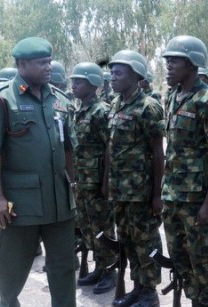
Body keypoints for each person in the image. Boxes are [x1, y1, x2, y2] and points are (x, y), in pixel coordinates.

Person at [0, 37, 96, 307]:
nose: (48, 67)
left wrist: (73, 183)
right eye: (41, 62)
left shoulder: (59, 99)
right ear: (22, 65)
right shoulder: (0, 99)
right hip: (21, 201)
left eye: (49, 61)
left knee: (63, 265)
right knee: (14, 265)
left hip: (58, 199)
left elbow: (67, 146)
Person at [161, 35, 208, 307]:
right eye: (167, 61)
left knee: (204, 256)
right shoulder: (173, 96)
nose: (168, 67)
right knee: (181, 256)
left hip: (197, 198)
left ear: (191, 64)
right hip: (174, 195)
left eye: (173, 61)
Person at [104, 49, 164, 307]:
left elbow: (158, 152)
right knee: (127, 240)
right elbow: (111, 145)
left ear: (135, 76)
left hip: (141, 190)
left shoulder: (148, 107)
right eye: (111, 72)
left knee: (145, 240)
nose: (112, 77)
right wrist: (107, 180)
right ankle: (138, 287)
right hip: (121, 189)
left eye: (118, 72)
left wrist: (157, 194)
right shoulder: (116, 104)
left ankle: (149, 292)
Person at [69, 62, 117, 293]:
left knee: (103, 226)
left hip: (97, 181)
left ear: (92, 84)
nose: (73, 85)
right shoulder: (79, 110)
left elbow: (110, 147)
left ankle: (110, 270)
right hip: (83, 180)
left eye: (78, 81)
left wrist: (107, 180)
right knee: (88, 225)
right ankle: (99, 266)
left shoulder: (101, 111)